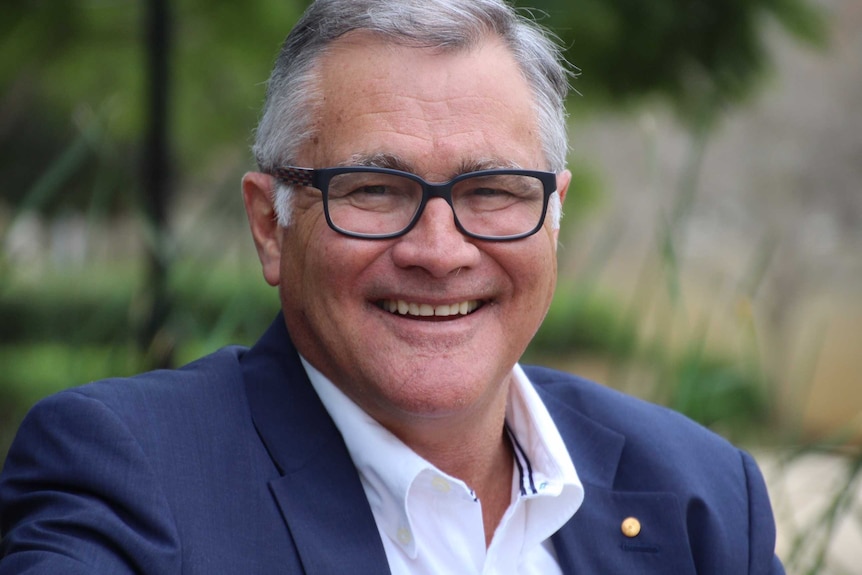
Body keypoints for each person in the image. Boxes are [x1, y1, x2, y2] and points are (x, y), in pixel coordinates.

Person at [0, 0, 784, 573]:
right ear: (271, 226)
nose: (439, 251)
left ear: (554, 215)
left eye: (492, 190)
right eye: (373, 189)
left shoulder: (701, 499)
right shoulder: (129, 478)